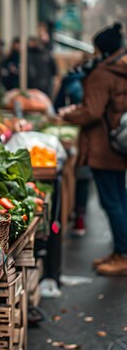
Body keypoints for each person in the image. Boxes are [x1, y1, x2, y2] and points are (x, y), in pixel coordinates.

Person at [60, 22, 127, 275]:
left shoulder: (102, 73)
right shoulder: (121, 70)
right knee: (119, 197)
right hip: (118, 144)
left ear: (102, 50)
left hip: (102, 147)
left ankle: (123, 255)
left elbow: (92, 111)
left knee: (112, 202)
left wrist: (68, 115)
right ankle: (120, 250)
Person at [54, 61, 90, 237]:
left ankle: (61, 218)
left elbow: (57, 106)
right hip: (91, 135)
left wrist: (68, 114)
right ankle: (79, 218)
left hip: (77, 132)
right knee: (83, 174)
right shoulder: (94, 78)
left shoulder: (69, 80)